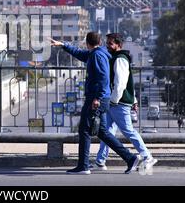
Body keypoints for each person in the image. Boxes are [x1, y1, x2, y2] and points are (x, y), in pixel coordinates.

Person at [51, 32, 139, 175]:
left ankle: (83, 166)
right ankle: (130, 158)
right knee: (102, 132)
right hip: (100, 98)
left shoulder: (97, 55)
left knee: (84, 130)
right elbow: (80, 54)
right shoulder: (98, 53)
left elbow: (103, 78)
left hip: (96, 98)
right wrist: (63, 46)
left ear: (87, 43)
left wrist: (97, 98)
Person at [93, 33, 157, 171]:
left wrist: (114, 100)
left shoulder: (120, 59)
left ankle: (147, 156)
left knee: (128, 131)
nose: (108, 46)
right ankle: (100, 160)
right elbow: (129, 84)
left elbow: (121, 83)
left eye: (111, 43)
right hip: (114, 101)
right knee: (107, 131)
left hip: (118, 102)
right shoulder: (115, 58)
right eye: (107, 43)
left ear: (119, 45)